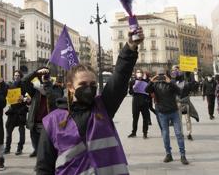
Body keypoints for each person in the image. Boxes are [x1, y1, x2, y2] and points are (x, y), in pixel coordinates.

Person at [36, 28, 144, 174]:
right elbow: (44, 167)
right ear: (70, 87)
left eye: (93, 85)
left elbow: (120, 77)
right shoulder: (52, 121)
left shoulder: (103, 107)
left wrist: (130, 48)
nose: (88, 88)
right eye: (82, 84)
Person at [146, 69, 189, 165]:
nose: (161, 77)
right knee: (165, 134)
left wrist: (171, 83)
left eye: (163, 75)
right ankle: (168, 154)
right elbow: (146, 90)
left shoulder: (171, 83)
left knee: (179, 134)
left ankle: (183, 155)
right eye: (159, 75)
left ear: (167, 75)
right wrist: (151, 80)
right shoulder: (155, 84)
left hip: (174, 111)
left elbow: (180, 92)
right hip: (162, 113)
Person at [23, 67, 63, 158]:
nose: (44, 76)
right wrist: (35, 73)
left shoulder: (56, 87)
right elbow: (24, 81)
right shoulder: (35, 88)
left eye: (46, 75)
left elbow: (54, 98)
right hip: (35, 121)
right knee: (36, 145)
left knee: (47, 149)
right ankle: (38, 156)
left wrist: (47, 84)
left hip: (49, 123)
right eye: (42, 75)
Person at [4, 70, 28, 155]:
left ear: (20, 76)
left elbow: (28, 98)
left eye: (18, 75)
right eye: (15, 75)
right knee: (8, 129)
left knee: (21, 130)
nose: (16, 76)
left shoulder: (24, 85)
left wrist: (24, 98)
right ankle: (7, 148)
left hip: (21, 111)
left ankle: (19, 148)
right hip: (13, 111)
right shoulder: (11, 85)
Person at [174, 70, 199, 141]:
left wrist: (193, 76)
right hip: (178, 104)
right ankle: (182, 133)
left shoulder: (186, 83)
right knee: (180, 120)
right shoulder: (174, 84)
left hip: (184, 103)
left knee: (187, 119)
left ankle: (188, 133)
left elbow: (193, 86)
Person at [128, 68, 150, 139]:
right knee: (135, 118)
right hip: (136, 101)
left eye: (140, 72)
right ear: (135, 74)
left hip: (144, 101)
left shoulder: (147, 81)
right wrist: (135, 86)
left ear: (142, 73)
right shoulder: (132, 82)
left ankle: (145, 133)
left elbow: (149, 91)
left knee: (145, 118)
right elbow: (130, 92)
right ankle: (134, 132)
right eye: (137, 72)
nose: (139, 73)